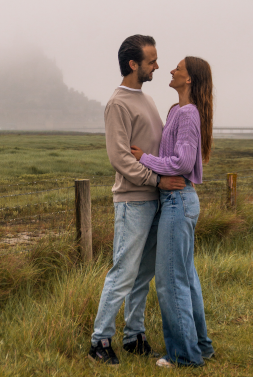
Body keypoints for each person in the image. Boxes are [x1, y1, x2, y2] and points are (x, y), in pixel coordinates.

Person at [88, 35, 185, 365]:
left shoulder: (145, 98)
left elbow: (152, 150)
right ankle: (100, 342)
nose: (157, 65)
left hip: (155, 199)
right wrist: (156, 179)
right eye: (152, 60)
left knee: (143, 273)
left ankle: (134, 336)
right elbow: (119, 158)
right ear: (134, 64)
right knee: (123, 272)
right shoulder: (118, 103)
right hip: (133, 201)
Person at [131, 56, 215, 367]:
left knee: (170, 280)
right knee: (186, 277)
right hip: (179, 200)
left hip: (179, 201)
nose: (171, 70)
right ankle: (201, 346)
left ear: (189, 79)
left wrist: (145, 159)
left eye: (178, 68)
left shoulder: (189, 114)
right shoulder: (177, 110)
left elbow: (181, 163)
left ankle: (184, 356)